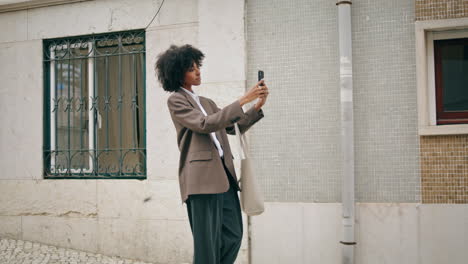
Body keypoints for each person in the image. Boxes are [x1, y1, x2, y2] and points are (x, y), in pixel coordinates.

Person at [155, 44, 269, 264]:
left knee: (234, 235)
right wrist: (243, 99)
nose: (198, 71)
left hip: (225, 177)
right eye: (191, 68)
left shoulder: (207, 102)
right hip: (201, 181)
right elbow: (204, 124)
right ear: (178, 73)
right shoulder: (176, 101)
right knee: (207, 244)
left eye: (198, 66)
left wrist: (256, 106)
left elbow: (232, 127)